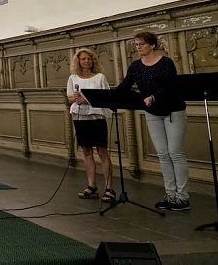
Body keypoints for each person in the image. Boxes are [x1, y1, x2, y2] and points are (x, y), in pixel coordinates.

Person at [118, 31, 190, 211]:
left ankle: (182, 197)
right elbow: (125, 86)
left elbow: (171, 86)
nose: (138, 47)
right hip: (152, 113)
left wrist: (153, 97)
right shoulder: (135, 66)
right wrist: (106, 97)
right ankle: (170, 194)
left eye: (141, 44)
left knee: (175, 153)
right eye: (136, 45)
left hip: (173, 110)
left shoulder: (166, 62)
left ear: (152, 45)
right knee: (163, 154)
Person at [66, 48, 114, 203]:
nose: (86, 61)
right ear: (78, 61)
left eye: (89, 59)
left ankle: (109, 188)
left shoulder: (100, 77)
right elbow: (69, 99)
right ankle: (91, 186)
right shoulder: (73, 78)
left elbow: (106, 97)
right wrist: (75, 98)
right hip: (80, 118)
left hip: (96, 117)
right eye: (83, 59)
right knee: (86, 152)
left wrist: (88, 100)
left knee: (102, 151)